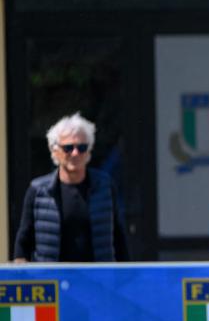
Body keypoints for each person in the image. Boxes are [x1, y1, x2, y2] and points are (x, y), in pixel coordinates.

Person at [14, 112, 128, 262]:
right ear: (54, 150)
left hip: (97, 280)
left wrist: (124, 278)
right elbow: (24, 241)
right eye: (68, 148)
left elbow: (119, 238)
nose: (75, 153)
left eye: (82, 147)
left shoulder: (105, 186)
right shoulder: (38, 190)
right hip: (52, 281)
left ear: (88, 152)